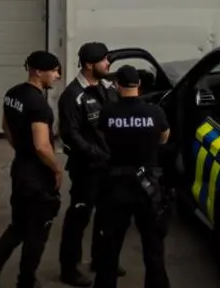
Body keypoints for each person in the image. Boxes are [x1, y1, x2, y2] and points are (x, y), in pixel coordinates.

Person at [0, 50, 65, 288]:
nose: (57, 75)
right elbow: (42, 145)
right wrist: (57, 169)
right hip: (37, 176)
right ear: (39, 72)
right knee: (37, 233)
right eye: (55, 70)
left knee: (17, 227)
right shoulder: (39, 105)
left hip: (20, 170)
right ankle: (26, 281)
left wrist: (20, 149)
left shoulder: (12, 94)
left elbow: (5, 127)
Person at [90, 67, 171, 288]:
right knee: (153, 249)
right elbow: (163, 139)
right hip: (148, 187)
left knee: (111, 246)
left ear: (117, 85)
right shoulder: (155, 112)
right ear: (139, 86)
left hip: (116, 186)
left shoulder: (108, 112)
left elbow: (104, 140)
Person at [56, 43, 119, 286]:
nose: (108, 64)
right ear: (89, 65)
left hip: (109, 166)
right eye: (104, 60)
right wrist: (96, 153)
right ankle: (69, 268)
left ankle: (100, 259)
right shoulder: (72, 96)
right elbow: (70, 134)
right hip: (87, 169)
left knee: (107, 214)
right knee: (79, 217)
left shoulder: (106, 88)